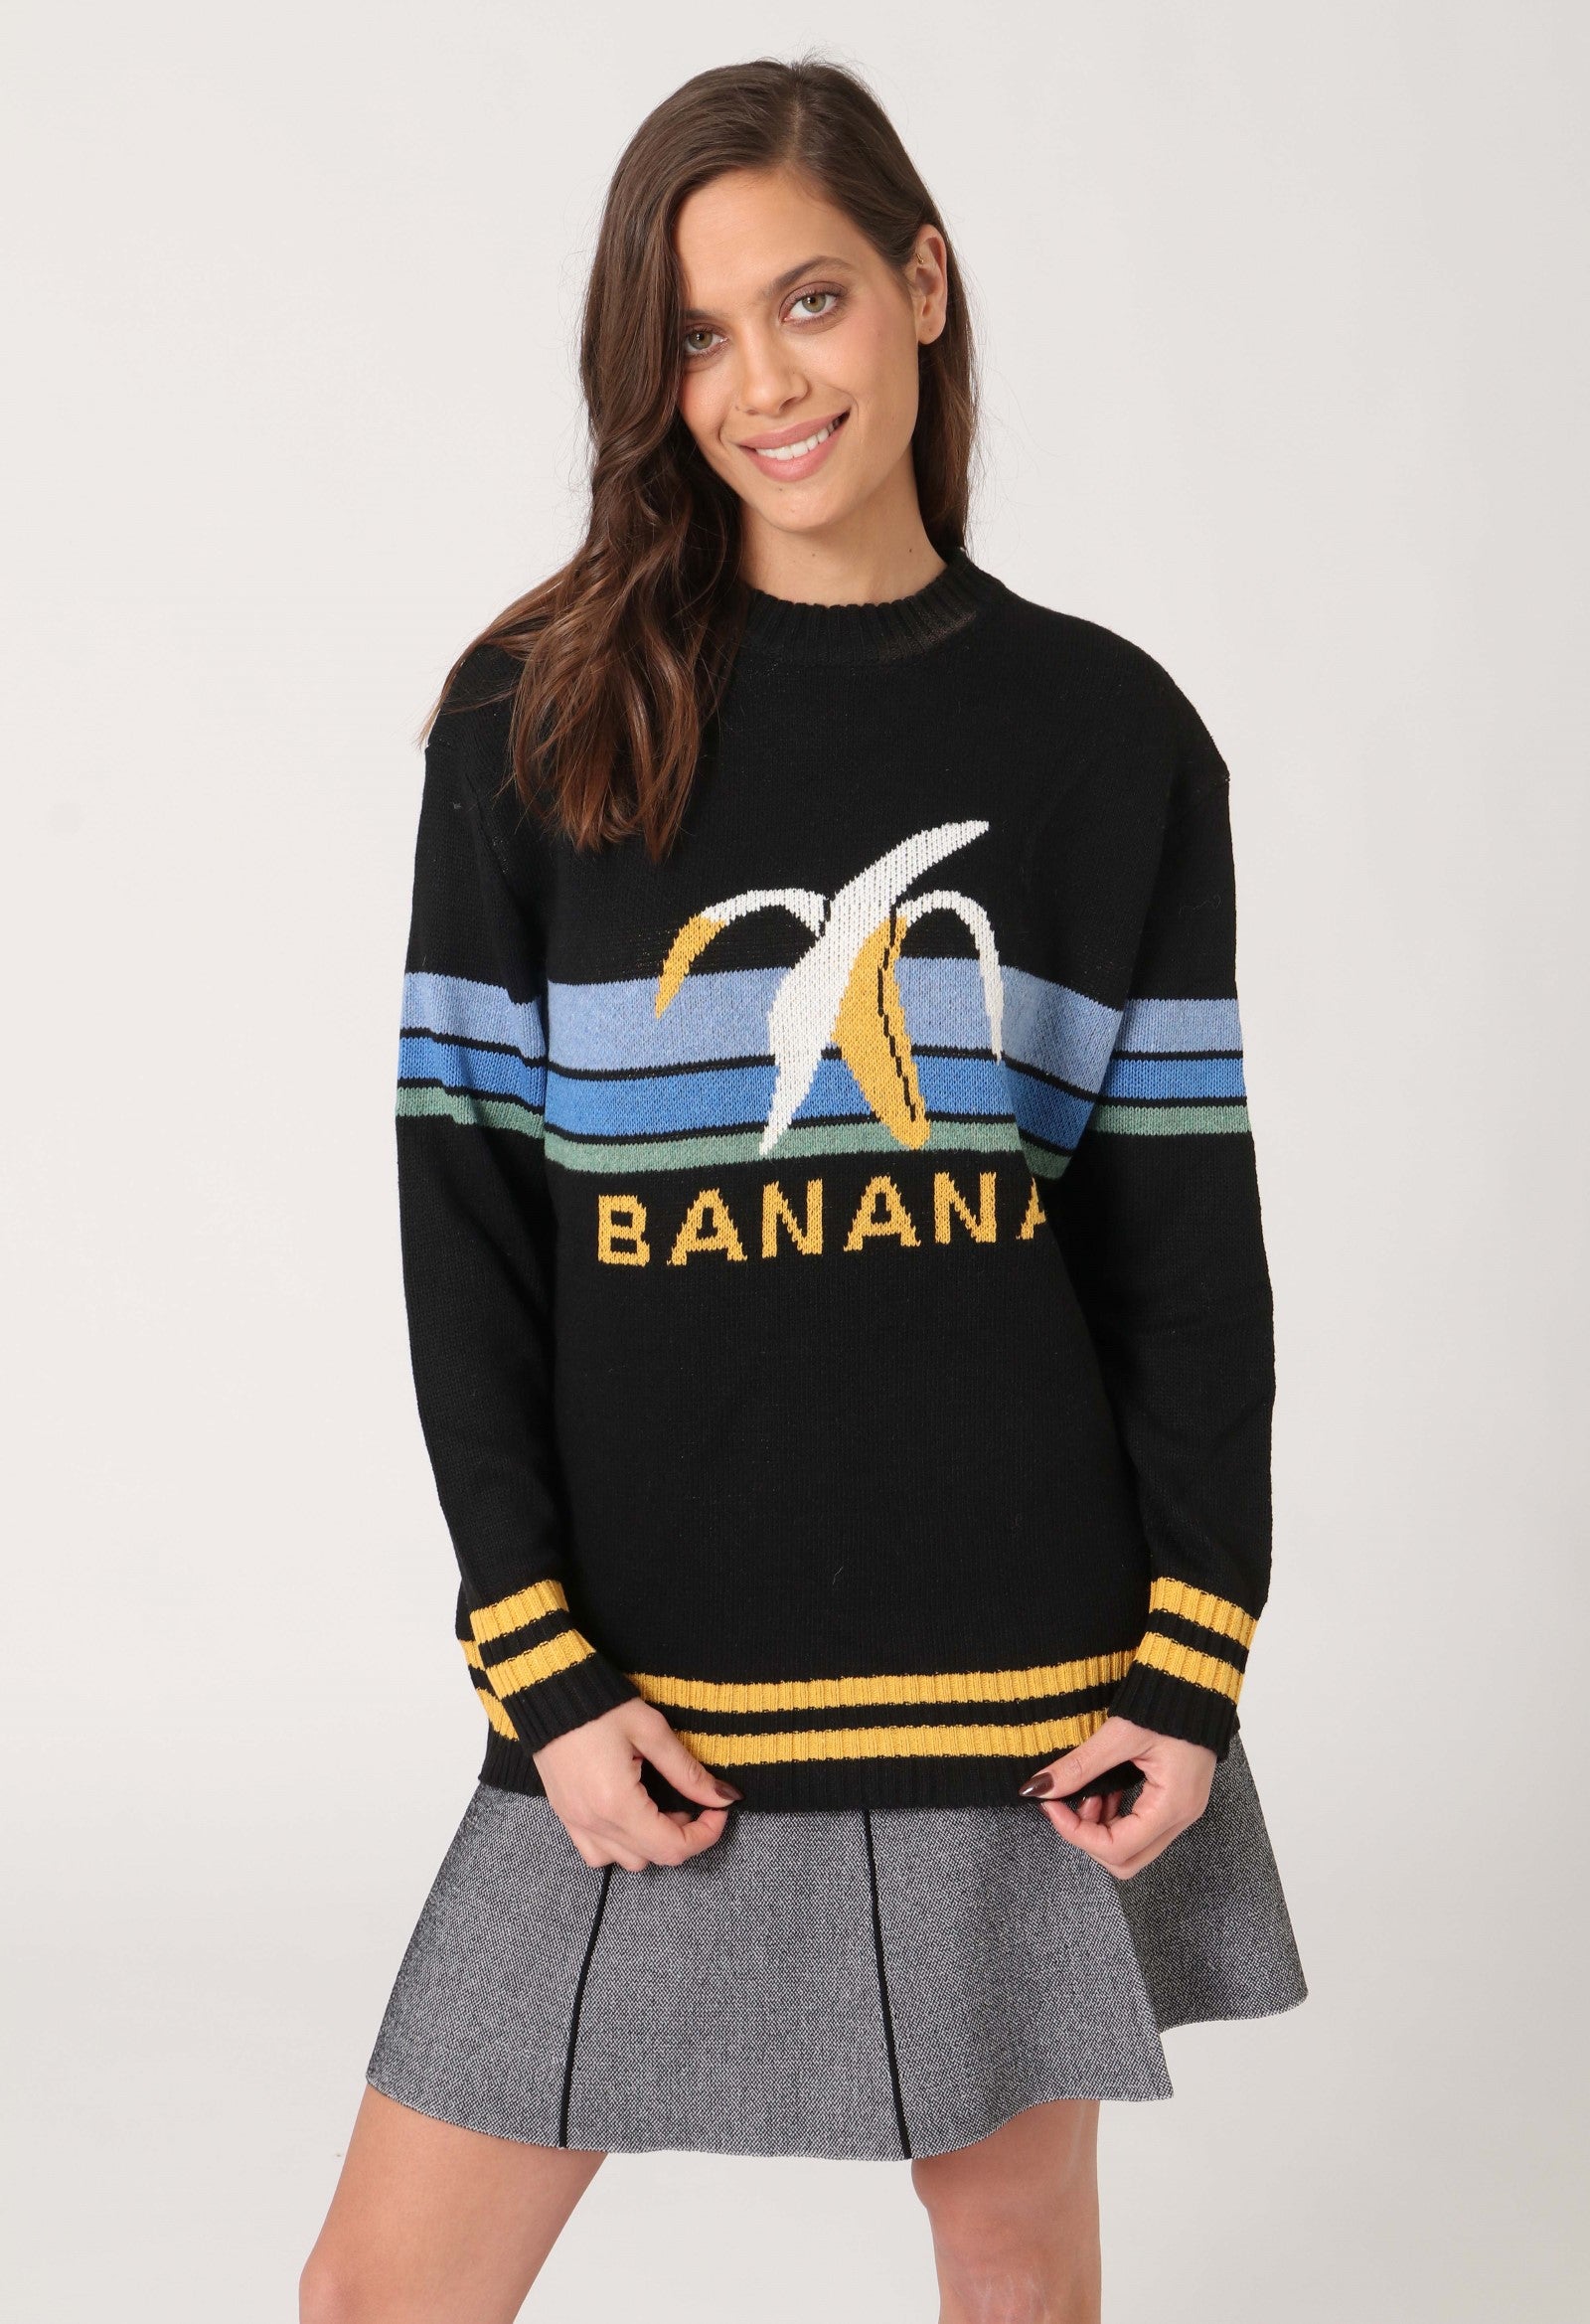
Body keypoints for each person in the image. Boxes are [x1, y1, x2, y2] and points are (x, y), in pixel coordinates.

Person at [300, 53, 1306, 2324]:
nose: (761, 380)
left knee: (1009, 2266)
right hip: (640, 1684)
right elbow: (465, 1230)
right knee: (381, 2290)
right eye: (695, 334)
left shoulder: (1105, 738)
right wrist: (536, 1656)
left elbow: (1176, 1242)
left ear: (923, 286)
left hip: (1023, 1675)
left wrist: (1190, 1656)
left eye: (812, 298)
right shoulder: (533, 720)